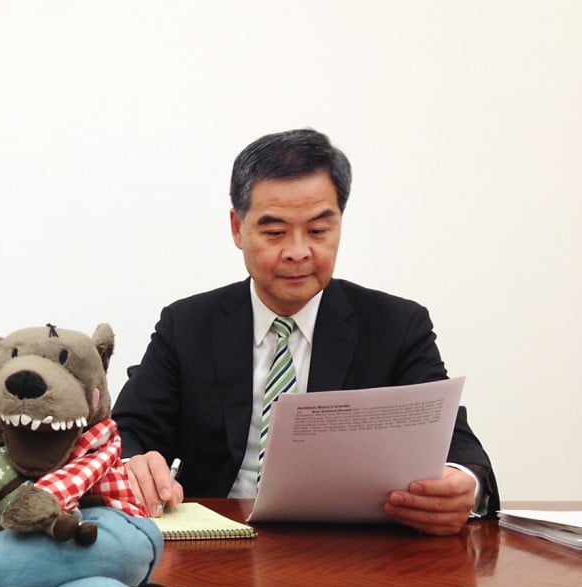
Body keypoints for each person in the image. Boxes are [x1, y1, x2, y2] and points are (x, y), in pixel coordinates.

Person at [112, 128, 499, 536]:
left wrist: (462, 485)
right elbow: (128, 432)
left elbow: (455, 445)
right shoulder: (187, 324)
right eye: (275, 232)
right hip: (219, 541)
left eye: (317, 231)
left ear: (339, 226)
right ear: (237, 229)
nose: (298, 251)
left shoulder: (397, 326)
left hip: (355, 551)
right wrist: (133, 465)